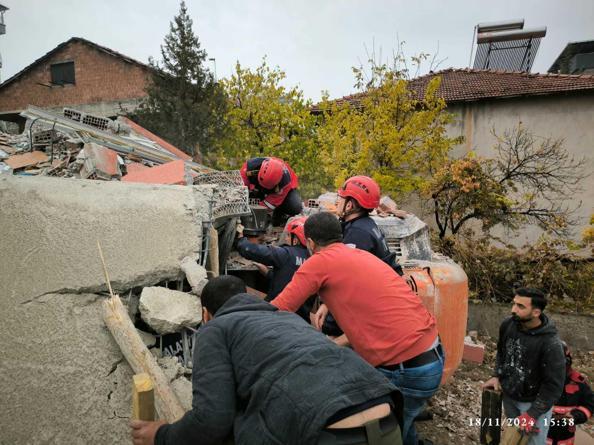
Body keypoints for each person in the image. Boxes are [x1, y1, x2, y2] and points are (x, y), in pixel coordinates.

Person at [131, 275, 404, 445]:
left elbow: (212, 421)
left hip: (325, 430)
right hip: (387, 414)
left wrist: (161, 436)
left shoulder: (216, 329)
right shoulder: (286, 317)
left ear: (206, 314)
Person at [271, 212, 443, 445]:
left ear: (310, 243)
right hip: (430, 355)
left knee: (379, 432)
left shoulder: (318, 263)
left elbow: (278, 310)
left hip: (406, 369)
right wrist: (328, 309)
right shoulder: (359, 254)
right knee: (403, 422)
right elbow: (370, 315)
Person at [482, 288, 566, 445]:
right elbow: (502, 351)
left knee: (532, 442)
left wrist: (532, 414)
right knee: (513, 439)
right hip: (509, 397)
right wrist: (496, 375)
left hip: (533, 405)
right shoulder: (508, 324)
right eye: (514, 304)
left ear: (535, 312)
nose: (513, 310)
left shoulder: (551, 344)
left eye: (520, 306)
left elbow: (554, 386)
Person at [236, 216, 315, 321]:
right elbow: (290, 279)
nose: (286, 239)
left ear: (295, 240)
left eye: (288, 235)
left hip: (277, 316)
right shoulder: (314, 260)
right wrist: (267, 272)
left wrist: (241, 238)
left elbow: (251, 250)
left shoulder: (286, 254)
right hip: (301, 319)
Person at [336, 176, 402, 275]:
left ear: (349, 205)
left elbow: (348, 274)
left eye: (341, 198)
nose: (337, 202)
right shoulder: (367, 224)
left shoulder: (356, 233)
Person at [546, 342, 594, 445]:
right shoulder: (540, 381)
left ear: (567, 362)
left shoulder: (579, 382)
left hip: (566, 438)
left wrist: (575, 416)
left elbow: (590, 405)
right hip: (542, 436)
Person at [240, 157, 303, 224]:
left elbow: (269, 204)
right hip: (256, 188)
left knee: (295, 206)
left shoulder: (285, 183)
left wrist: (257, 213)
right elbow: (241, 190)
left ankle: (280, 213)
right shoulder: (249, 168)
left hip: (286, 190)